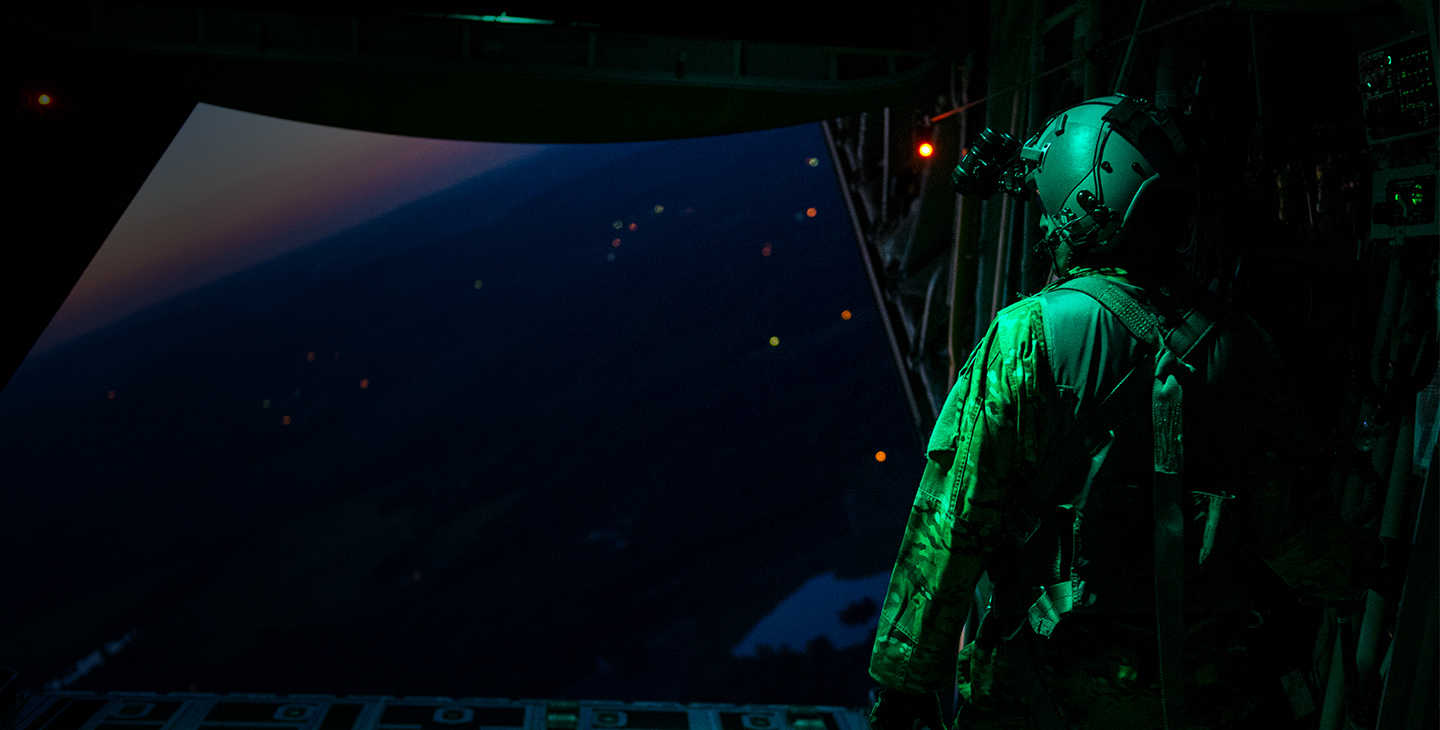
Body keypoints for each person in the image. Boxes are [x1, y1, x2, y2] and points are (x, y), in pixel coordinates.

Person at [865, 95, 1385, 730]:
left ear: (1079, 198)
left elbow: (954, 520)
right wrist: (1366, 569)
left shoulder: (1028, 337)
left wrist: (907, 682)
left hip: (1050, 691)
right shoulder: (1240, 345)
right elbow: (1292, 533)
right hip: (1212, 696)